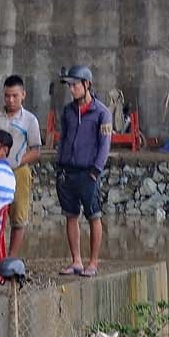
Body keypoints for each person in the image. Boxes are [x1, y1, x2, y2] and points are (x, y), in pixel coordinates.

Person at [0, 75, 42, 257]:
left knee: (18, 215)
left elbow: (36, 150)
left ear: (23, 95)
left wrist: (15, 161)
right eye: (7, 96)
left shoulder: (30, 120)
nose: (10, 100)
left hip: (17, 171)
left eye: (15, 96)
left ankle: (10, 258)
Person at [56, 65, 111, 277]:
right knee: (70, 216)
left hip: (89, 172)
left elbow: (105, 145)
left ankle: (93, 262)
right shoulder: (68, 112)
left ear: (87, 84)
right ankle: (76, 261)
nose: (72, 89)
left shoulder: (102, 113)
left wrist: (95, 171)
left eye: (75, 85)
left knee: (93, 216)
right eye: (70, 86)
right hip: (66, 172)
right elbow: (63, 139)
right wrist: (59, 164)